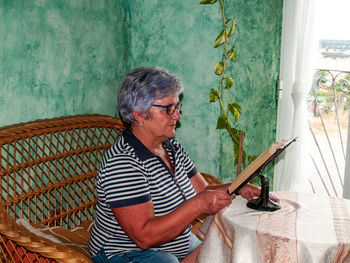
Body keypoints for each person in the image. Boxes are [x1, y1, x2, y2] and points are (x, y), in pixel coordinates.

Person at [88, 66, 274, 263]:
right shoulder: (124, 164)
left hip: (178, 244)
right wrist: (199, 204)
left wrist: (237, 187)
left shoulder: (170, 146)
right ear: (139, 114)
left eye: (177, 107)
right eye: (169, 109)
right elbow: (144, 236)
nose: (177, 115)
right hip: (126, 252)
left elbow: (204, 190)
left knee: (231, 249)